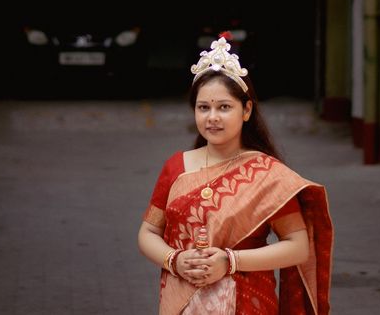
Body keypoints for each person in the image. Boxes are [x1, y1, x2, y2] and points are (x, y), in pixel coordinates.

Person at [137, 36, 333, 314]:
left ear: (247, 110)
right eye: (203, 107)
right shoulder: (176, 167)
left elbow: (298, 247)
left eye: (224, 107)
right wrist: (174, 259)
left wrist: (230, 261)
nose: (212, 117)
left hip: (249, 301)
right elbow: (148, 232)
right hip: (181, 301)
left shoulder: (266, 175)